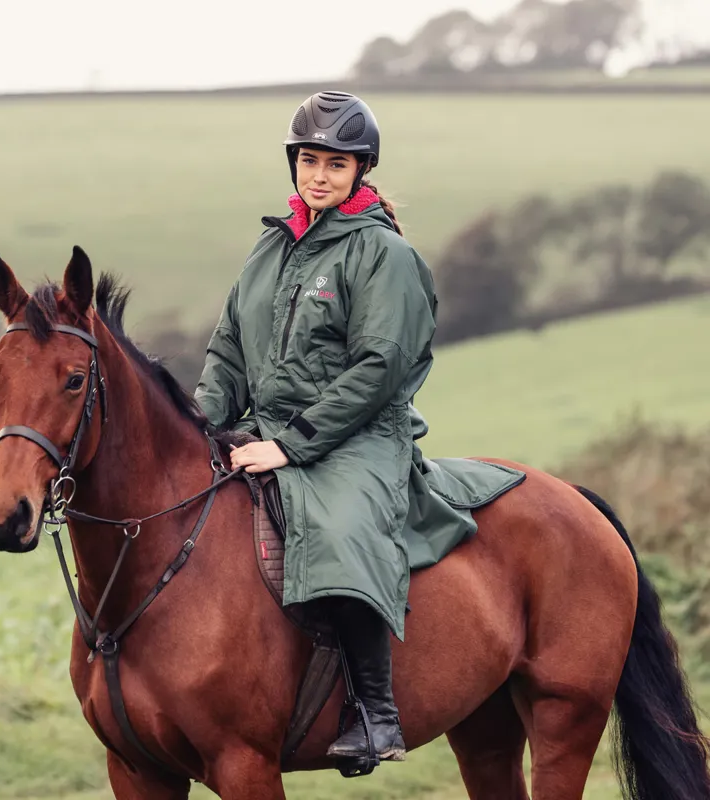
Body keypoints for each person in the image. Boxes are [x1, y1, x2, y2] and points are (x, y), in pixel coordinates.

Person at [195, 90, 438, 763]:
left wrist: (291, 445)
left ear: (360, 171)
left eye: (336, 163)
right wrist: (200, 427)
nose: (319, 175)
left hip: (358, 435)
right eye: (309, 160)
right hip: (268, 426)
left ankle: (377, 715)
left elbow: (380, 365)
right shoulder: (270, 246)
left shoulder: (381, 254)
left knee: (334, 529)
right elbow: (228, 351)